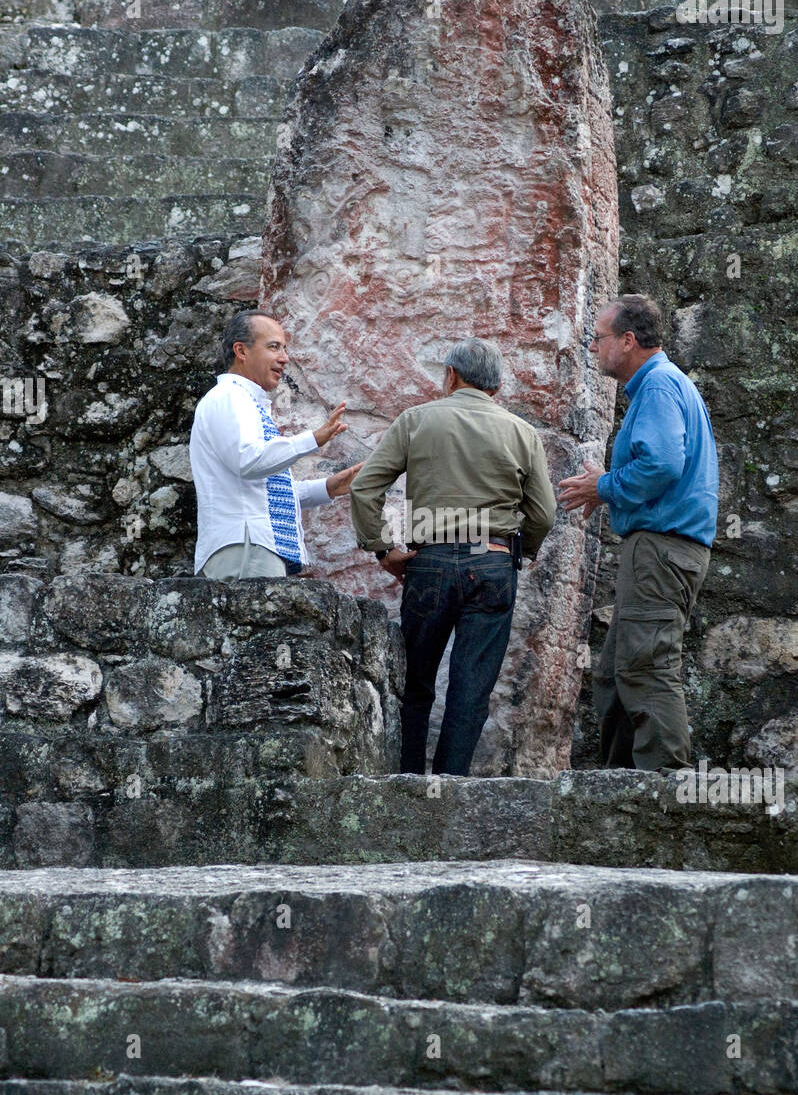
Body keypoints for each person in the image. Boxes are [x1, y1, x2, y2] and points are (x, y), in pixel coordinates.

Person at [350, 337, 556, 776]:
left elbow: (364, 488)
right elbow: (544, 513)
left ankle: (404, 783)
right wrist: (520, 551)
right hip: (493, 563)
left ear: (452, 376)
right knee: (471, 689)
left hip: (431, 563)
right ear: (496, 388)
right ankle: (451, 790)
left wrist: (384, 549)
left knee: (414, 683)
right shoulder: (522, 432)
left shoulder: (416, 420)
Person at [558, 294, 719, 771]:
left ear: (628, 341)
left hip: (661, 550)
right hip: (660, 550)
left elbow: (664, 463)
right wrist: (605, 487)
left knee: (645, 668)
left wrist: (604, 486)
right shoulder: (665, 386)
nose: (593, 347)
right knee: (612, 675)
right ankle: (622, 792)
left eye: (600, 337)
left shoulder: (658, 387)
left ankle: (664, 795)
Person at [190, 309, 360, 579]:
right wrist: (312, 439)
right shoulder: (229, 397)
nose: (285, 358)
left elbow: (264, 492)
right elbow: (249, 461)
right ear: (241, 351)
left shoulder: (242, 399)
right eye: (273, 347)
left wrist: (328, 488)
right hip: (244, 548)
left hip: (249, 548)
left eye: (284, 348)